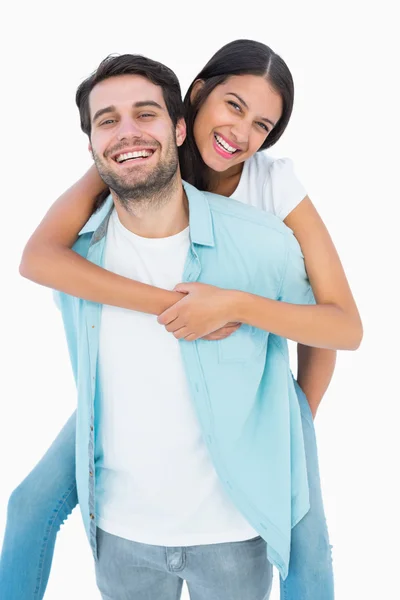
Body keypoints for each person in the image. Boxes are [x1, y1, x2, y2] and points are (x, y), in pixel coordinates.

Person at [0, 40, 362, 599]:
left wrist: (285, 421)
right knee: (30, 505)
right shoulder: (137, 155)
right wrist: (171, 307)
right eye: (233, 106)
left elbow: (338, 324)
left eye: (263, 124)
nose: (241, 134)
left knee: (305, 547)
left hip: (256, 384)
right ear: (194, 100)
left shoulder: (273, 186)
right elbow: (38, 258)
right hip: (150, 383)